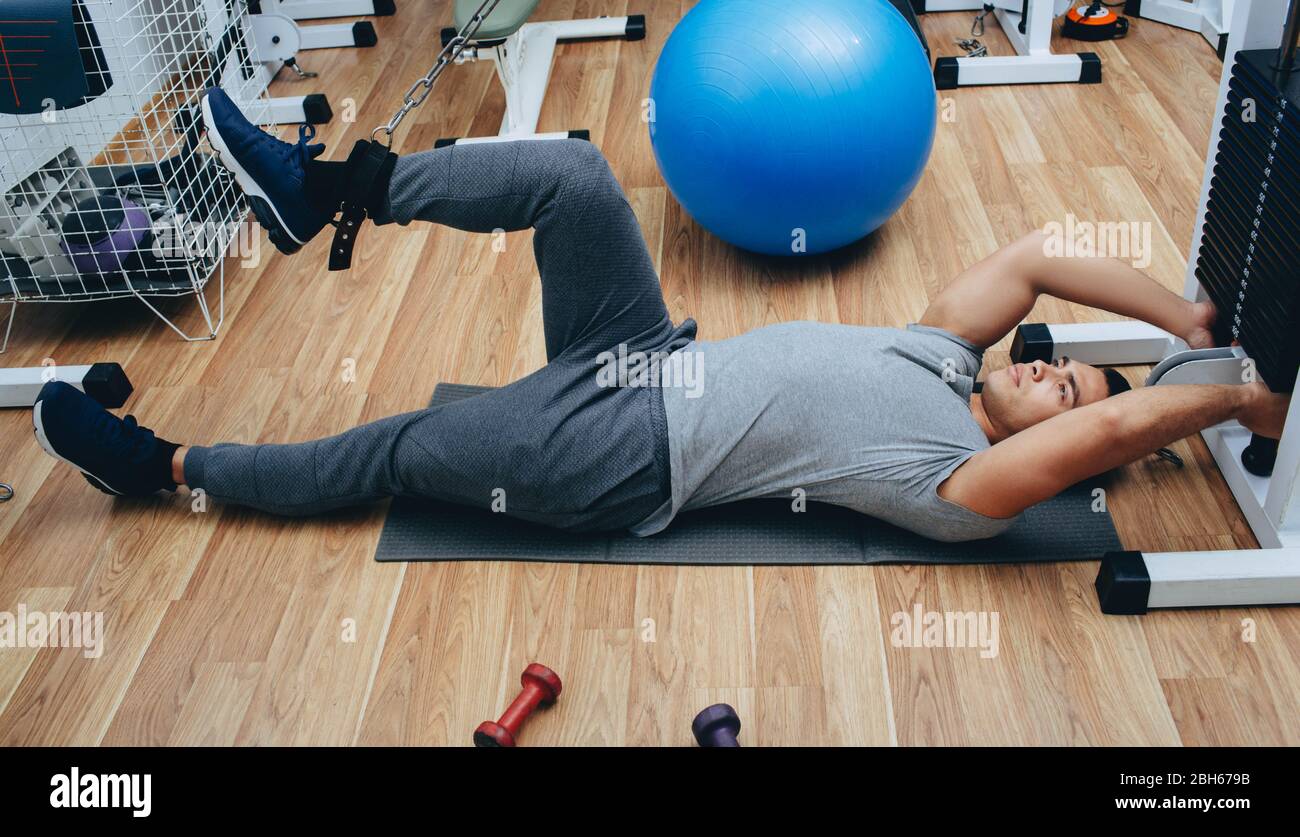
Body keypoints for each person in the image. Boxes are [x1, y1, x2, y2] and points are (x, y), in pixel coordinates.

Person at [31, 89, 1290, 541]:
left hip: (618, 457)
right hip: (642, 356)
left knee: (400, 448)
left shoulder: (958, 483)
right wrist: (1183, 319)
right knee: (576, 176)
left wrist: (1229, 397)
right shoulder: (941, 350)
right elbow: (1032, 257)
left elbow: (1091, 451)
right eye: (1065, 376)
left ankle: (161, 468)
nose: (1054, 388)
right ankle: (330, 190)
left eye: (1063, 407)